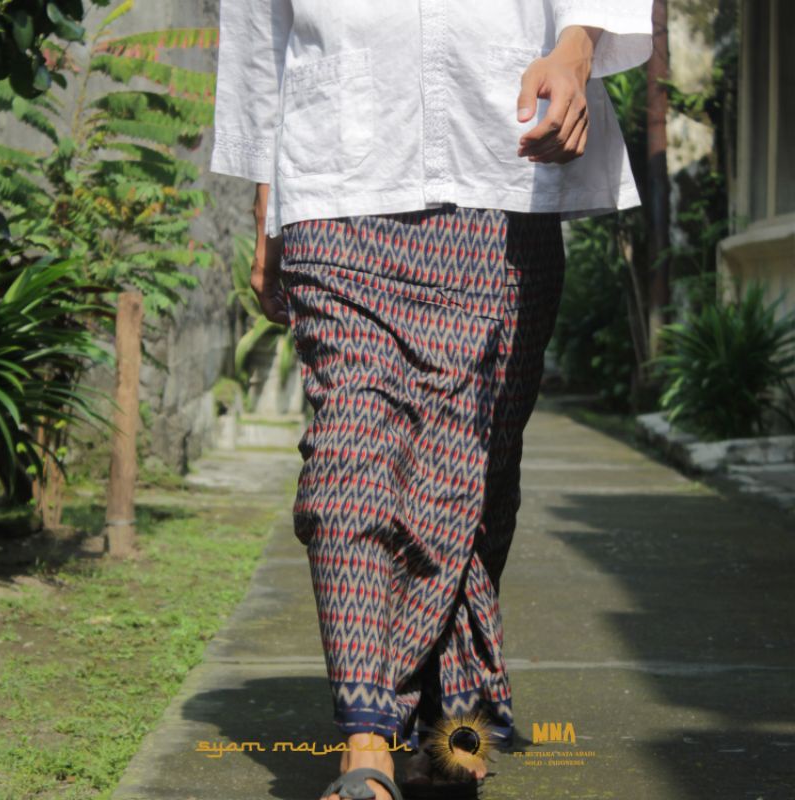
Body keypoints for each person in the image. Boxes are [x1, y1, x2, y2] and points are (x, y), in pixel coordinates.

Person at [209, 2, 653, 799]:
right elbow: (258, 32)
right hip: (336, 178)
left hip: (501, 176)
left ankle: (451, 717)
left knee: (473, 477)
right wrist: (268, 198)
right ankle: (366, 742)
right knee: (348, 452)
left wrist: (576, 53)